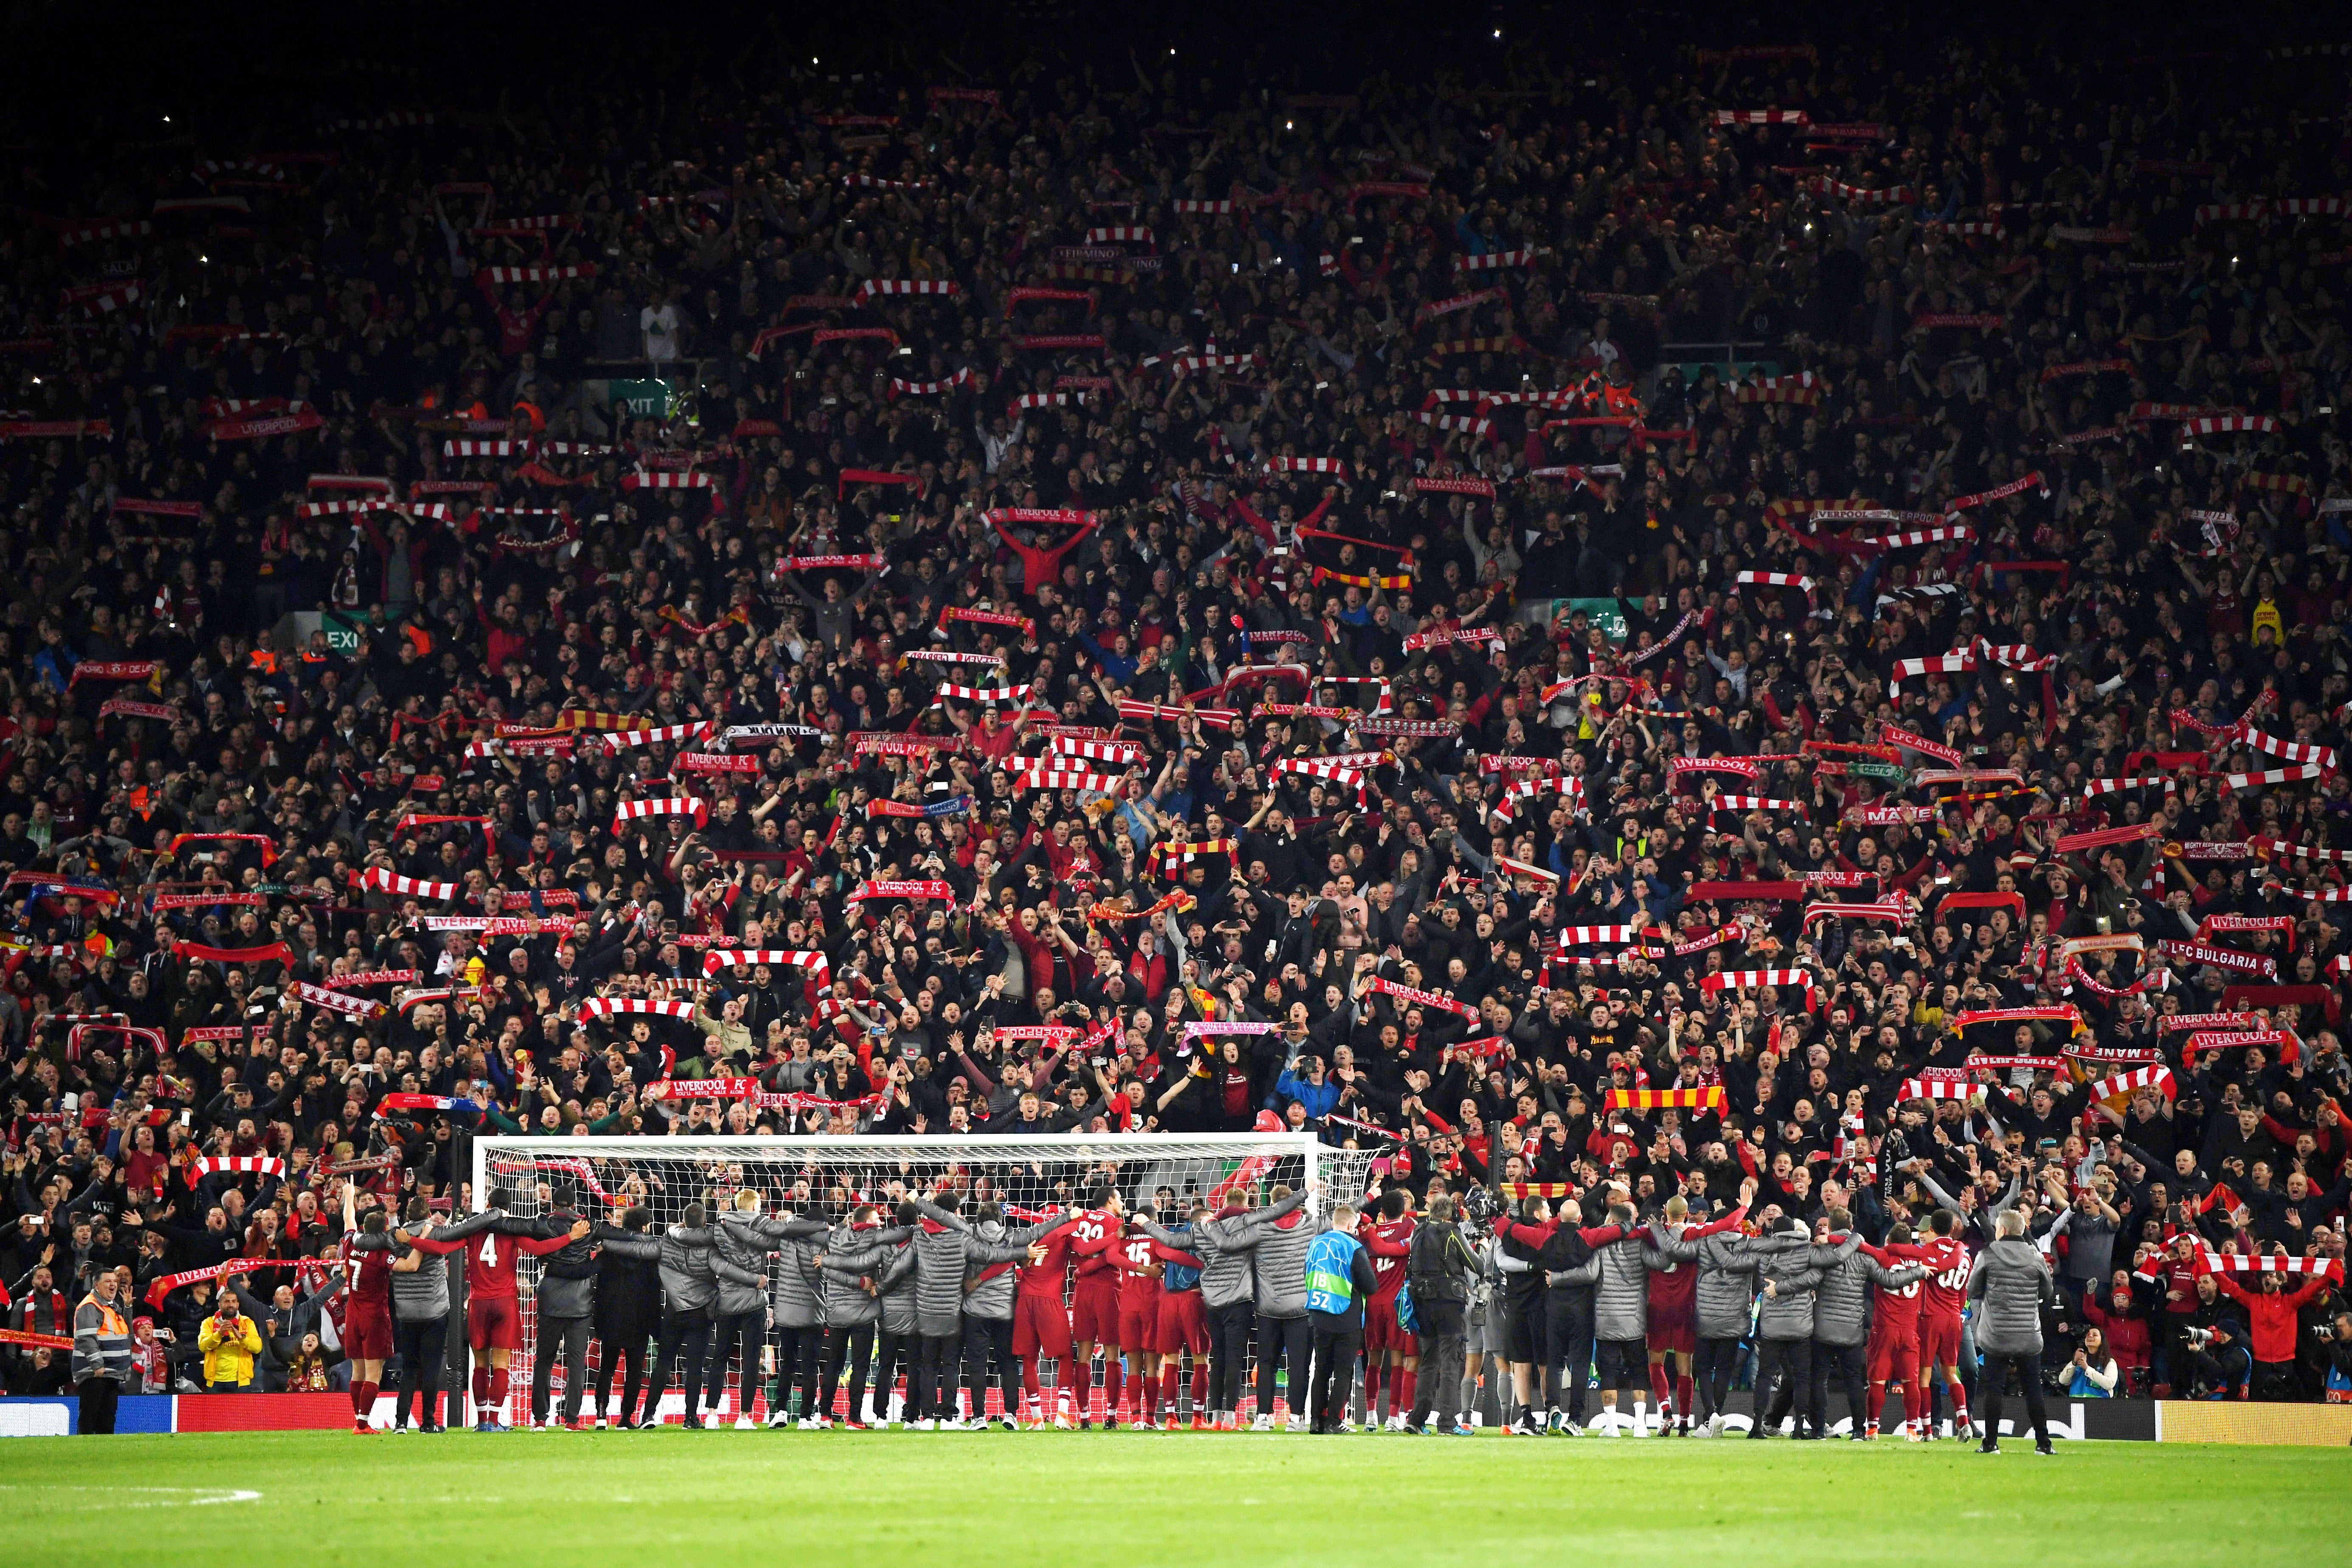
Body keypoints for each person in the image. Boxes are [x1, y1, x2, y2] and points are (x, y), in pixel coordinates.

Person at [402, 1193, 590, 1430]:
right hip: (505, 1303)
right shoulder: (512, 1231)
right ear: (510, 1208)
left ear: (488, 1206)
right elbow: (540, 1249)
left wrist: (411, 1241)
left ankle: (482, 1422)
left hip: (479, 1303)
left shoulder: (473, 1231)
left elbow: (440, 1248)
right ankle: (493, 1421)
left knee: (480, 1365)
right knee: (501, 1365)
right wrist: (571, 1237)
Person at [717, 1190, 829, 1428]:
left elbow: (756, 1240)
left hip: (785, 1313)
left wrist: (731, 1222)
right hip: (812, 1313)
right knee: (810, 1366)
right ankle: (807, 1417)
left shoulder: (785, 1241)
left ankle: (780, 1412)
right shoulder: (824, 1247)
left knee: (786, 1363)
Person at [1811, 1210, 1926, 1438]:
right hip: (1854, 1329)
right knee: (1855, 1381)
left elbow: (1812, 1278)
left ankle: (1819, 1429)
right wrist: (1919, 1272)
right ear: (1852, 1227)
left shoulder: (1823, 1250)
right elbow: (1890, 1280)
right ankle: (1860, 1430)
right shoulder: (1866, 1258)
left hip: (1825, 1327)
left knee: (1820, 1379)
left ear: (1831, 1228)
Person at [1968, 1209, 2059, 1456]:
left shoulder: (1987, 1255)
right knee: (2033, 1389)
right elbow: (2048, 1293)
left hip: (1996, 1334)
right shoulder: (2036, 1257)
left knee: (1994, 1389)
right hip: (2028, 1333)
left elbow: (1973, 1291)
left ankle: (1991, 1444)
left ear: (2003, 1230)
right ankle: (2044, 1444)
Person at [1231, 1181, 1318, 1431]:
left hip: (1268, 1308)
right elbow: (1337, 1218)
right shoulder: (1308, 1227)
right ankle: (1296, 1418)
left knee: (1267, 1363)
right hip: (1300, 1309)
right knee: (1300, 1366)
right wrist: (1370, 1195)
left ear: (1271, 1205)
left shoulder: (1260, 1229)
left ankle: (1263, 1417)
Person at [2211, 1262, 2336, 1400]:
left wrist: (2334, 1271)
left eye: (2271, 1275)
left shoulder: (2291, 1302)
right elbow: (2231, 1287)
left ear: (2281, 1281)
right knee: (2258, 1411)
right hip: (2260, 1366)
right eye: (2264, 1276)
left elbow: (2314, 1288)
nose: (2267, 1279)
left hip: (2286, 1364)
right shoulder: (2254, 1301)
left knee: (2286, 1411)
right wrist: (2211, 1270)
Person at [1304, 1201, 1377, 1433]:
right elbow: (1370, 1286)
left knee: (1322, 1370)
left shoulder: (1315, 1243)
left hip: (1318, 1312)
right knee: (1343, 1371)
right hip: (1346, 1314)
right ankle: (1335, 1421)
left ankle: (1316, 1422)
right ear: (1351, 1224)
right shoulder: (1353, 1247)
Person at [590, 1206, 663, 1429]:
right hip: (639, 1319)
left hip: (611, 1316)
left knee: (607, 1367)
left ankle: (601, 1414)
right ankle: (626, 1419)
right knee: (634, 1371)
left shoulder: (609, 1251)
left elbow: (597, 1279)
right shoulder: (651, 1254)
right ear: (644, 1227)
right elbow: (654, 1290)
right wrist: (655, 1323)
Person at [336, 1182, 396, 1433]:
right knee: (374, 1372)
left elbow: (348, 1218)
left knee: (357, 1371)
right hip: (375, 1315)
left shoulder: (351, 1243)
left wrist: (349, 1196)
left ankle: (359, 1421)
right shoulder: (381, 1256)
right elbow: (406, 1266)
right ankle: (362, 1424)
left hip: (354, 1312)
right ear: (383, 1231)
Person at [71, 1267, 131, 1435]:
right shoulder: (90, 1306)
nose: (113, 1285)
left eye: (115, 1281)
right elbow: (86, 1338)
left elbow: (126, 1336)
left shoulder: (111, 1306)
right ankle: (84, 1454)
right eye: (108, 1281)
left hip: (111, 1372)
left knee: (107, 1417)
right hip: (95, 1374)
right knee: (90, 1417)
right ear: (97, 1285)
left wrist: (128, 1308)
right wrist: (97, 1365)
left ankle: (105, 1457)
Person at [197, 1290, 263, 1393]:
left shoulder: (247, 1322)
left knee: (240, 1410)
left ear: (238, 1304)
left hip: (241, 1382)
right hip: (215, 1381)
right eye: (227, 1302)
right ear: (220, 1304)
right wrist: (219, 1334)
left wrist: (242, 1338)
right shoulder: (209, 1323)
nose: (231, 1305)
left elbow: (257, 1348)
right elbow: (203, 1346)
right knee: (215, 1410)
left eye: (234, 1301)